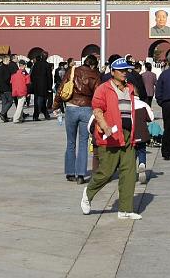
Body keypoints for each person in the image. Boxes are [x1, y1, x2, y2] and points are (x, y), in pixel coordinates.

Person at [80, 58, 142, 220]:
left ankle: (125, 209)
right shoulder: (103, 89)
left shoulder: (130, 88)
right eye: (121, 70)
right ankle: (89, 192)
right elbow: (97, 110)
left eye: (126, 70)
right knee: (106, 172)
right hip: (110, 135)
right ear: (112, 72)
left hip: (128, 134)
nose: (124, 73)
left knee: (129, 172)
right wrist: (104, 125)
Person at [56, 54, 100, 185]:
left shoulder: (73, 71)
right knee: (83, 143)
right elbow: (98, 95)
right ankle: (80, 174)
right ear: (93, 64)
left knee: (70, 142)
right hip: (87, 109)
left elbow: (61, 88)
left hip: (71, 107)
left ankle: (70, 172)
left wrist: (55, 104)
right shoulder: (95, 75)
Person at [30, 53, 53, 120]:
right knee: (40, 101)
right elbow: (49, 77)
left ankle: (46, 115)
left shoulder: (36, 64)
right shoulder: (47, 65)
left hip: (36, 86)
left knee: (39, 101)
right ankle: (36, 116)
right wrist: (49, 87)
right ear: (46, 57)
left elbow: (31, 75)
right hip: (44, 86)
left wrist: (34, 83)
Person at [0, 57, 18, 123]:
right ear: (6, 60)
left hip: (1, 87)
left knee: (4, 102)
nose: (9, 62)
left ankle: (4, 117)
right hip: (7, 87)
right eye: (8, 60)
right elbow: (7, 78)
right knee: (10, 101)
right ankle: (2, 113)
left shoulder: (0, 68)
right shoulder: (6, 68)